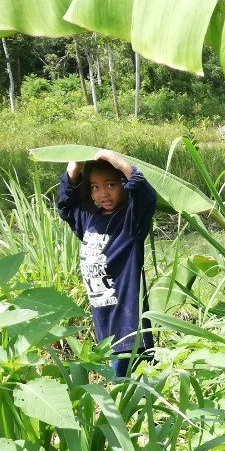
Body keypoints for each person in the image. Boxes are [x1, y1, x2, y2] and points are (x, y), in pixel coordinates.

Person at [57, 149, 157, 377]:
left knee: (132, 394)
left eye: (111, 185)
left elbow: (146, 196)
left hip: (129, 328)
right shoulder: (89, 220)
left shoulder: (130, 223)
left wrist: (119, 163)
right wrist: (73, 171)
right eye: (95, 186)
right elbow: (66, 207)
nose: (103, 193)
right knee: (121, 394)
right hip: (105, 325)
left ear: (123, 184)